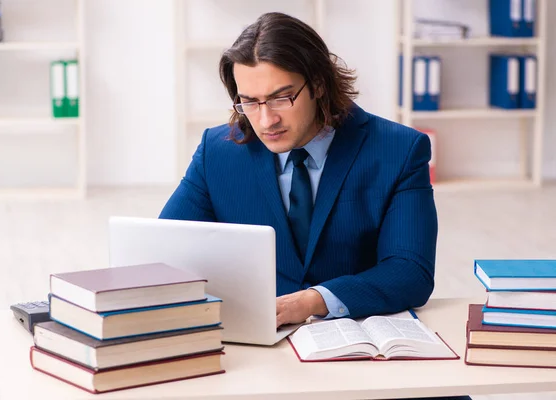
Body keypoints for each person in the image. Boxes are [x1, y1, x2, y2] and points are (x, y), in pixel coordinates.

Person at [160, 12, 470, 400]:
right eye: (249, 102)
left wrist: (314, 300)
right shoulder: (218, 152)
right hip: (259, 355)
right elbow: (167, 253)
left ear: (319, 84)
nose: (266, 119)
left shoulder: (399, 149)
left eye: (281, 97)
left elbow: (410, 271)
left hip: (365, 348)